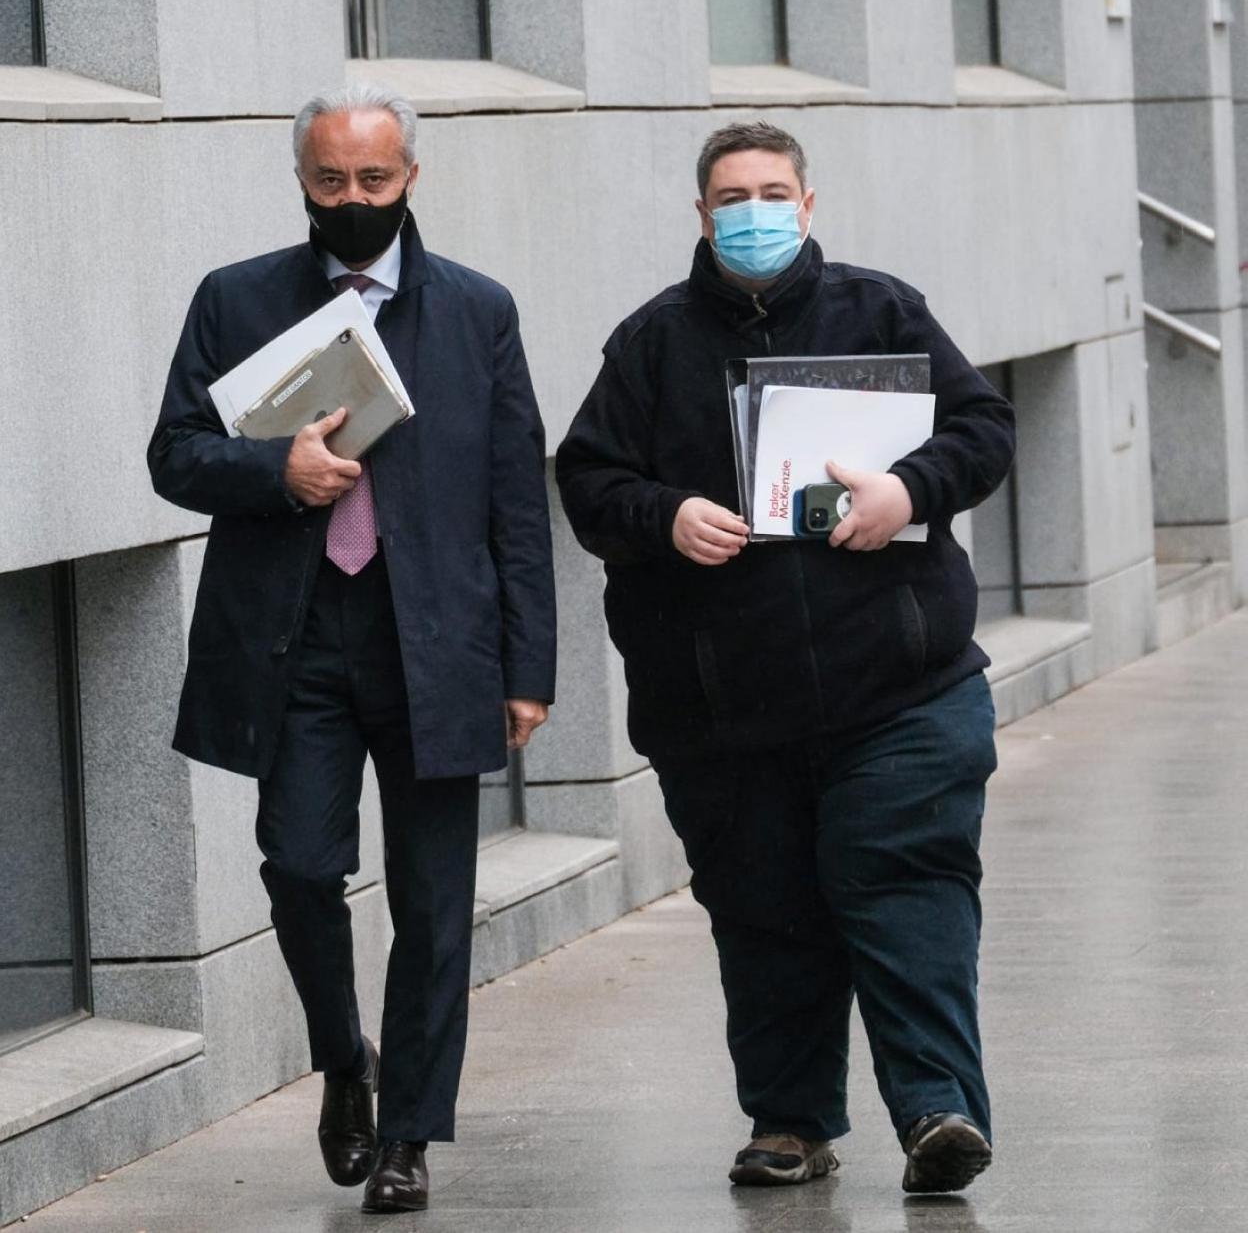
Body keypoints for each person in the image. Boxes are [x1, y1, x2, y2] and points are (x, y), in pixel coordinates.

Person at [556, 121, 1014, 1196]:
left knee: (905, 891)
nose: (752, 212)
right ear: (701, 214)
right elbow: (588, 481)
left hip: (901, 688)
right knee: (766, 915)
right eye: (730, 196)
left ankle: (938, 1108)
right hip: (724, 708)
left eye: (772, 192)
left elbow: (983, 428)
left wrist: (909, 491)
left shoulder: (882, 310)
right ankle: (791, 1122)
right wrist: (665, 516)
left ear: (808, 205)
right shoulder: (651, 345)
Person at [148, 82, 556, 1215]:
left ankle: (410, 1139)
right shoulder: (235, 300)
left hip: (437, 639)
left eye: (374, 180)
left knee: (433, 902)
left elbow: (517, 499)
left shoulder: (477, 311)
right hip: (294, 638)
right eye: (331, 181)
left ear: (411, 178)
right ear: (302, 182)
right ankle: (345, 1061)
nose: (354, 199)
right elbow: (173, 454)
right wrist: (273, 472)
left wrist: (530, 668)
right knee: (297, 864)